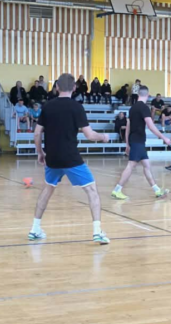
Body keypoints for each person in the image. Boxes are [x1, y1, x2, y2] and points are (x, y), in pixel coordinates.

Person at [29, 73, 111, 245]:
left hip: (52, 157)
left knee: (48, 189)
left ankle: (35, 228)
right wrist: (104, 137)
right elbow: (89, 135)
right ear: (74, 88)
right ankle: (97, 231)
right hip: (70, 157)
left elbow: (37, 133)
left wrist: (40, 152)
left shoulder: (48, 106)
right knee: (92, 191)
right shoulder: (77, 107)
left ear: (57, 87)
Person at [111, 85, 171, 200]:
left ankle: (157, 190)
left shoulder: (132, 108)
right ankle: (117, 190)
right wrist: (164, 137)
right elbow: (150, 126)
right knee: (130, 166)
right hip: (138, 141)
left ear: (138, 94)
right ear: (147, 95)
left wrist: (127, 144)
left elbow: (128, 127)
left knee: (147, 166)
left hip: (136, 141)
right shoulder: (144, 108)